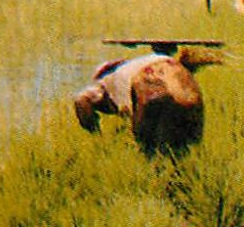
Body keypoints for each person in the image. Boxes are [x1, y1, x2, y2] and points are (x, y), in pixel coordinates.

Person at [73, 47, 212, 157]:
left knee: (149, 148)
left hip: (148, 78)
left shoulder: (104, 84)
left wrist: (97, 136)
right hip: (177, 71)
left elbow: (81, 100)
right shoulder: (134, 64)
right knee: (188, 144)